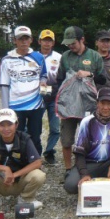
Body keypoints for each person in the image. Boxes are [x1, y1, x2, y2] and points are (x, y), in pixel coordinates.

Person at [64, 88, 110, 194]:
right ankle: (94, 184)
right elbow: (79, 153)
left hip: (109, 162)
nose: (106, 107)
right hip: (90, 164)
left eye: (109, 104)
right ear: (97, 103)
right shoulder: (86, 122)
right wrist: (84, 174)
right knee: (70, 185)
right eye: (102, 103)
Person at [56, 26, 106, 178]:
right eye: (68, 44)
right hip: (69, 105)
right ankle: (68, 169)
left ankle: (89, 165)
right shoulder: (65, 56)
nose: (71, 46)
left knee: (89, 136)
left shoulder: (94, 56)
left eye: (73, 43)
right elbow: (59, 79)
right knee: (66, 139)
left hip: (88, 103)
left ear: (82, 39)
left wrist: (89, 74)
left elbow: (102, 79)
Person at [0, 108, 46, 213]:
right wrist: (5, 169)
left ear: (16, 125)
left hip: (20, 181)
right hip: (1, 181)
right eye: (2, 125)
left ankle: (26, 199)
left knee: (39, 175)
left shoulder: (24, 138)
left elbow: (37, 162)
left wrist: (15, 174)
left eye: (9, 124)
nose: (6, 128)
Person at [0, 26, 47, 155]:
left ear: (31, 40)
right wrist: (5, 109)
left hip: (36, 105)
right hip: (16, 105)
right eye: (21, 39)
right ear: (15, 40)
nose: (24, 42)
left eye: (26, 38)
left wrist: (43, 81)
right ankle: (17, 162)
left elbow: (44, 75)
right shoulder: (6, 60)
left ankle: (36, 162)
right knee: (16, 136)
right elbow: (4, 85)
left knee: (35, 136)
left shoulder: (39, 57)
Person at [38, 29, 61, 165]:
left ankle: (49, 152)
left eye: (49, 40)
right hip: (36, 98)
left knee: (55, 128)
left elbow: (63, 76)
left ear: (53, 42)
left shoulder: (59, 57)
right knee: (35, 128)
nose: (47, 43)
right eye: (44, 40)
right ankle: (34, 152)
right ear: (39, 41)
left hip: (54, 97)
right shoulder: (33, 56)